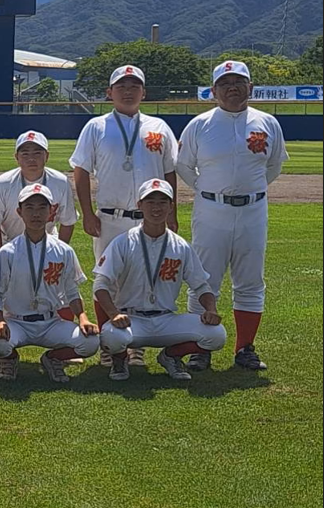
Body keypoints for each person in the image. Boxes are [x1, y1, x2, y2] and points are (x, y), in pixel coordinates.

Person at [176, 60, 287, 371]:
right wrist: (206, 188)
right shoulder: (200, 124)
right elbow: (183, 165)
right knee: (203, 280)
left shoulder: (267, 122)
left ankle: (245, 348)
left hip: (253, 209)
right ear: (213, 91)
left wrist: (252, 189)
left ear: (250, 87)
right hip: (211, 210)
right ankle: (201, 347)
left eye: (239, 81)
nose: (232, 88)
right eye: (224, 83)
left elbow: (275, 164)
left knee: (250, 280)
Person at [70, 64, 176, 367]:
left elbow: (169, 172)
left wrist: (172, 215)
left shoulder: (159, 127)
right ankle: (108, 343)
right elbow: (81, 171)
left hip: (150, 219)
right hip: (110, 217)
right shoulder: (96, 126)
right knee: (108, 279)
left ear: (143, 92)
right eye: (121, 86)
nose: (127, 91)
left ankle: (134, 344)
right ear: (109, 92)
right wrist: (88, 213)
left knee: (144, 279)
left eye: (134, 86)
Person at [94, 179, 227, 382]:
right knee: (111, 336)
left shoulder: (180, 246)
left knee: (217, 335)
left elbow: (201, 285)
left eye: (162, 202)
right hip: (132, 319)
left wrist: (211, 309)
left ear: (171, 206)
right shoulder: (123, 242)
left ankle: (171, 356)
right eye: (150, 202)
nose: (156, 208)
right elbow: (101, 284)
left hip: (166, 319)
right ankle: (120, 359)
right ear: (139, 205)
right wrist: (113, 314)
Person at [0, 131, 80, 363]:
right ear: (16, 157)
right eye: (25, 153)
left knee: (59, 289)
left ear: (47, 156)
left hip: (46, 241)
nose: (31, 158)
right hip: (7, 243)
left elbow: (68, 221)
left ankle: (63, 340)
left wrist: (58, 253)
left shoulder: (59, 181)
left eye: (37, 152)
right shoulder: (3, 183)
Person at [0, 184, 100, 383]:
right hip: (17, 321)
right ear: (19, 212)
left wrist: (82, 318)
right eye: (29, 208)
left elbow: (72, 291)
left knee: (90, 342)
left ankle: (53, 359)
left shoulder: (64, 251)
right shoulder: (8, 251)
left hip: (50, 322)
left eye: (41, 208)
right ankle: (10, 359)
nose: (35, 213)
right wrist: (0, 321)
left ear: (51, 212)